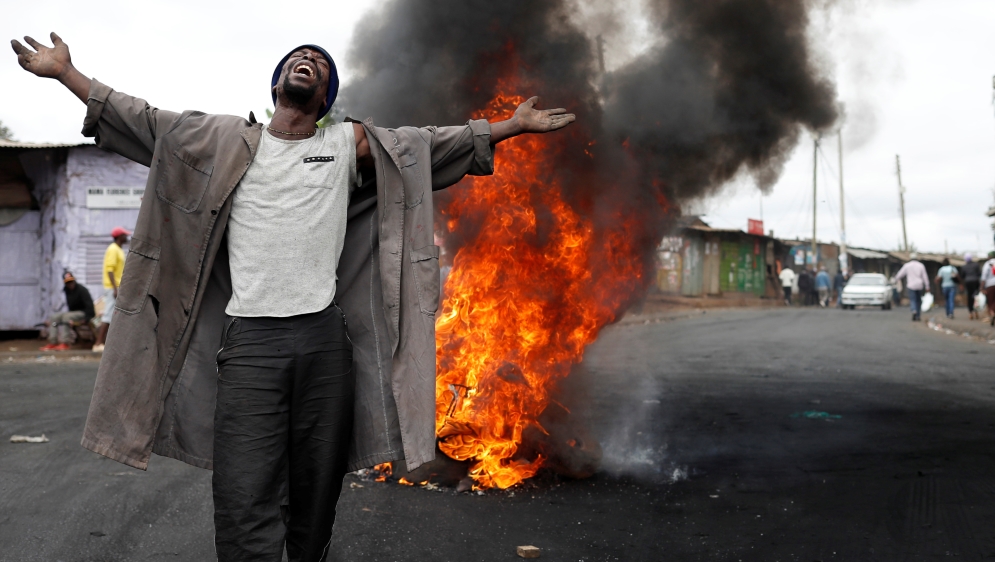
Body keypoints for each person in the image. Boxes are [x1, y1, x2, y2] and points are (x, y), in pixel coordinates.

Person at [11, 33, 575, 562]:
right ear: (277, 83)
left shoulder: (345, 143)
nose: (309, 61)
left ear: (325, 97)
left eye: (321, 64)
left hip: (324, 341)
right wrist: (67, 74)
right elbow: (142, 118)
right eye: (299, 59)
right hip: (250, 343)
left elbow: (423, 145)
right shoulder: (224, 140)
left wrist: (510, 126)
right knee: (242, 485)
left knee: (317, 484)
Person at [91, 226, 129, 353]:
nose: (127, 237)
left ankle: (109, 343)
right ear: (119, 237)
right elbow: (110, 270)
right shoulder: (113, 249)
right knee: (108, 315)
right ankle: (98, 343)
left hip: (117, 287)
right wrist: (114, 288)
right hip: (113, 287)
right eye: (124, 235)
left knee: (115, 316)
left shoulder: (118, 249)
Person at [39, 271, 95, 351]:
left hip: (84, 313)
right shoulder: (67, 291)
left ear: (74, 280)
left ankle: (65, 343)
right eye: (68, 282)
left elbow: (90, 308)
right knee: (54, 318)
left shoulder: (82, 290)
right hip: (73, 313)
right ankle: (53, 342)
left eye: (71, 281)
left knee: (66, 317)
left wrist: (86, 319)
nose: (70, 284)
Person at [893, 252, 931, 321]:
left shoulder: (907, 265)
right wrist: (927, 286)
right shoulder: (921, 265)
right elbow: (925, 277)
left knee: (913, 300)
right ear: (917, 258)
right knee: (918, 301)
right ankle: (918, 315)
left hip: (911, 286)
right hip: (919, 285)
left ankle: (914, 310)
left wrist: (895, 279)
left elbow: (900, 274)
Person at [960, 253, 982, 320]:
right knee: (976, 296)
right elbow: (979, 274)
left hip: (968, 282)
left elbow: (962, 276)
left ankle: (970, 313)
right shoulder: (976, 265)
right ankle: (976, 311)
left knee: (970, 297)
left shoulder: (964, 266)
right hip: (975, 282)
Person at [982, 251, 995, 326]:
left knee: (990, 301)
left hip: (990, 285)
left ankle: (992, 313)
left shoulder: (987, 264)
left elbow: (984, 277)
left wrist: (981, 287)